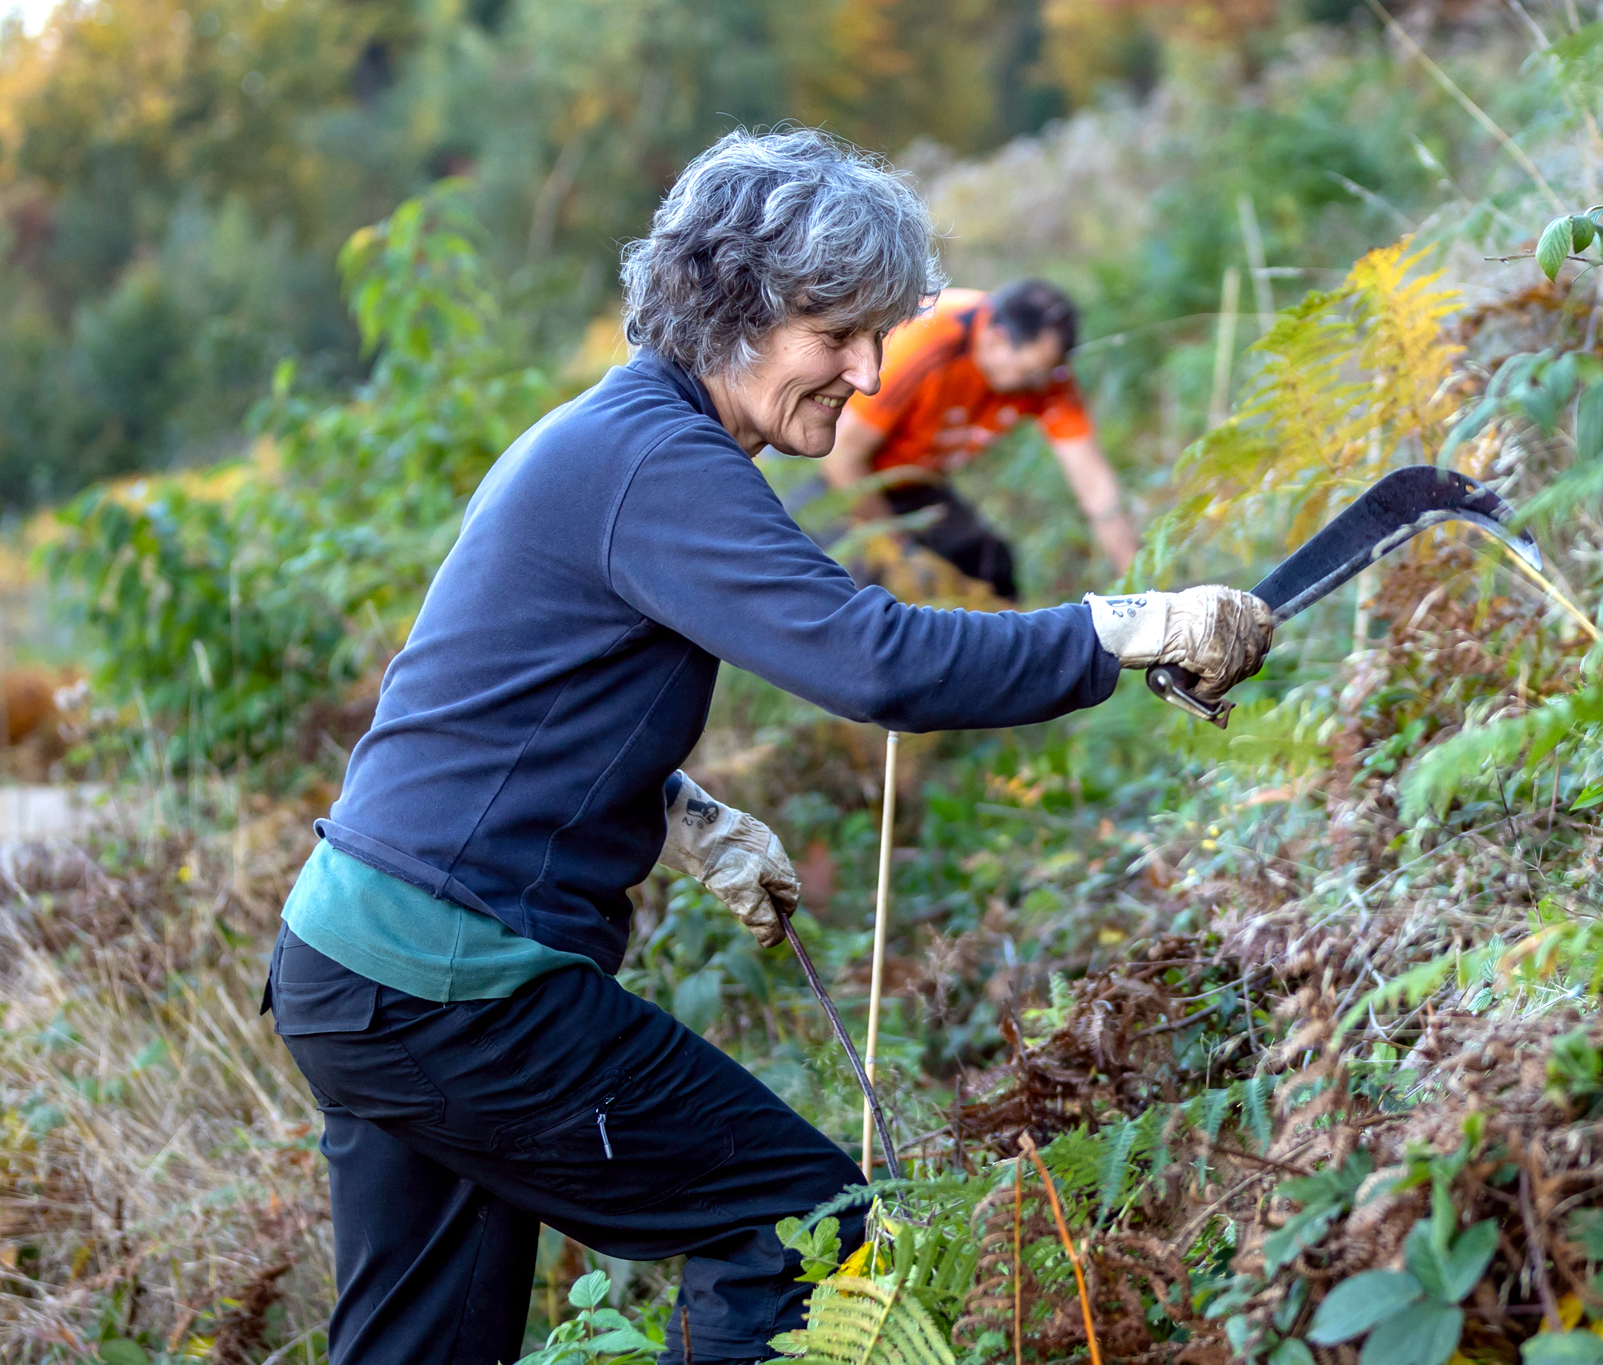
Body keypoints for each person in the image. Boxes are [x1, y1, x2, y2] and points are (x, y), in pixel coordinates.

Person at [262, 127, 1272, 1365]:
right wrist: (1126, 626)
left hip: (354, 964)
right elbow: (877, 663)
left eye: (878, 332)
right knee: (806, 1222)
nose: (867, 370)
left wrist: (683, 814)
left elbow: (506, 692)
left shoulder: (608, 438)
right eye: (834, 333)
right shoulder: (654, 459)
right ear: (728, 308)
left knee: (424, 1349)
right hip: (449, 980)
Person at [819, 279, 1137, 600]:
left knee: (988, 562)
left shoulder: (1046, 376)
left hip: (915, 481)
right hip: (831, 468)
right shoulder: (928, 342)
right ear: (996, 339)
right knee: (854, 585)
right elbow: (843, 457)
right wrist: (900, 551)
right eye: (1028, 373)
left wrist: (1141, 586)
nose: (1038, 387)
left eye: (1045, 374)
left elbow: (1097, 488)